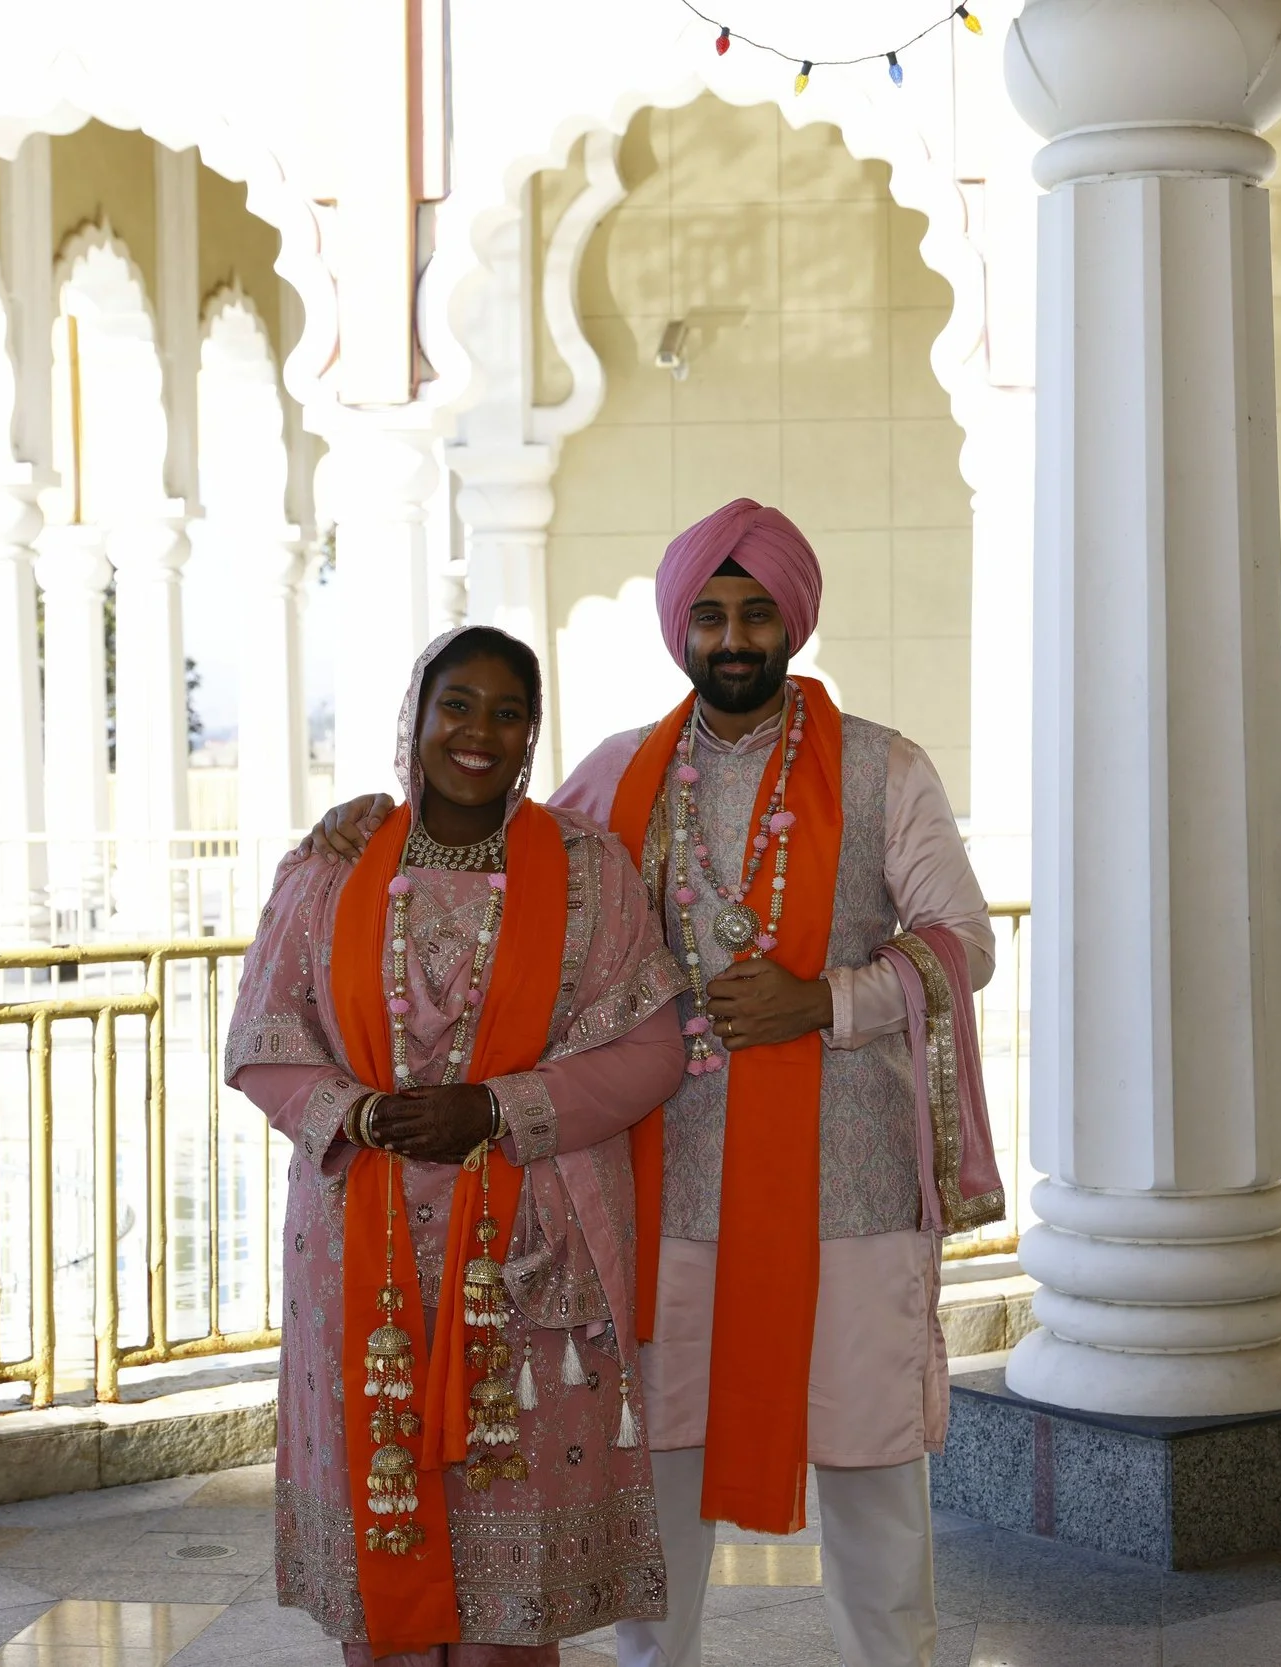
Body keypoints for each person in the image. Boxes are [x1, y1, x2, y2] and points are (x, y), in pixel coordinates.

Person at [300, 501, 1007, 1667]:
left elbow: (961, 939)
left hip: (850, 1187)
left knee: (870, 1465)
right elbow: (501, 850)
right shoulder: (619, 771)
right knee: (656, 1465)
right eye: (711, 614)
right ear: (681, 629)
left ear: (794, 621)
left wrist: (822, 999)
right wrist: (371, 817)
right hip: (660, 1187)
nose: (734, 637)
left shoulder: (884, 768)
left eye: (756, 612)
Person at [226, 624, 686, 1666]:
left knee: (506, 1558)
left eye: (508, 711)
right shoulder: (332, 867)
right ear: (416, 718)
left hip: (526, 1248)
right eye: (458, 705)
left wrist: (495, 1109)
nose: (479, 732)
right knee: (385, 1539)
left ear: (532, 734)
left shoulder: (586, 873)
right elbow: (260, 1038)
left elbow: (651, 1047)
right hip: (358, 1252)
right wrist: (355, 1111)